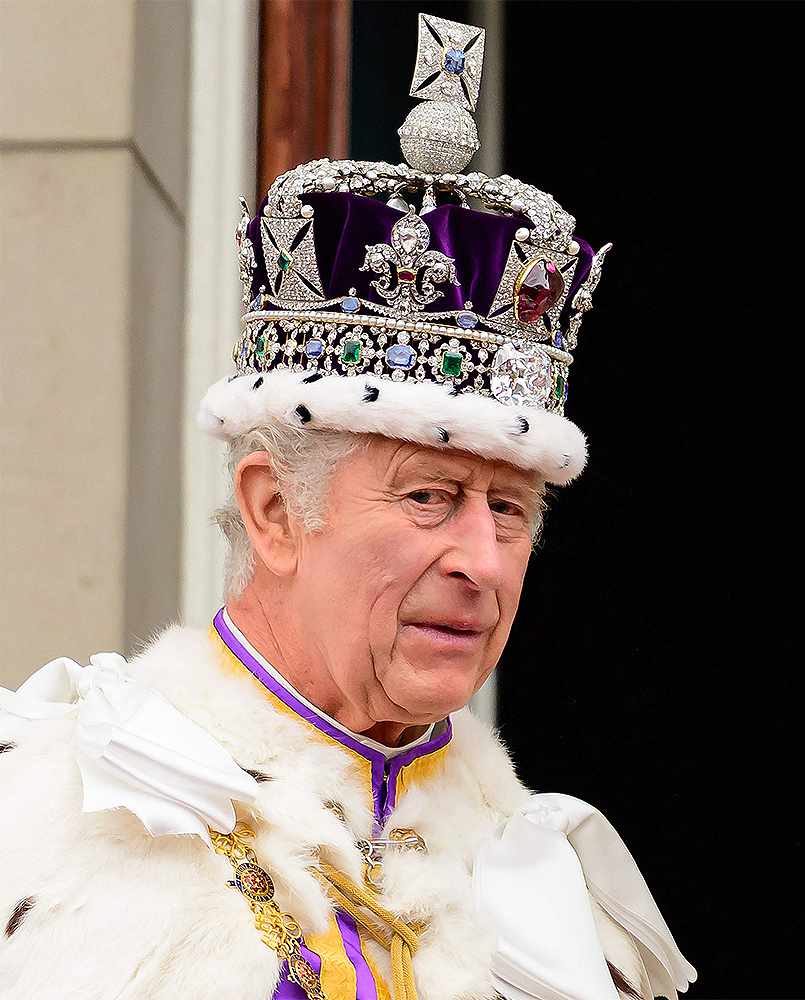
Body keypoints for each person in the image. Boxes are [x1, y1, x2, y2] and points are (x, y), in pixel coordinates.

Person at [0, 14, 694, 1000]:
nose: (483, 562)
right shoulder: (49, 804)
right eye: (430, 496)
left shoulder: (555, 899)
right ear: (274, 510)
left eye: (510, 508)